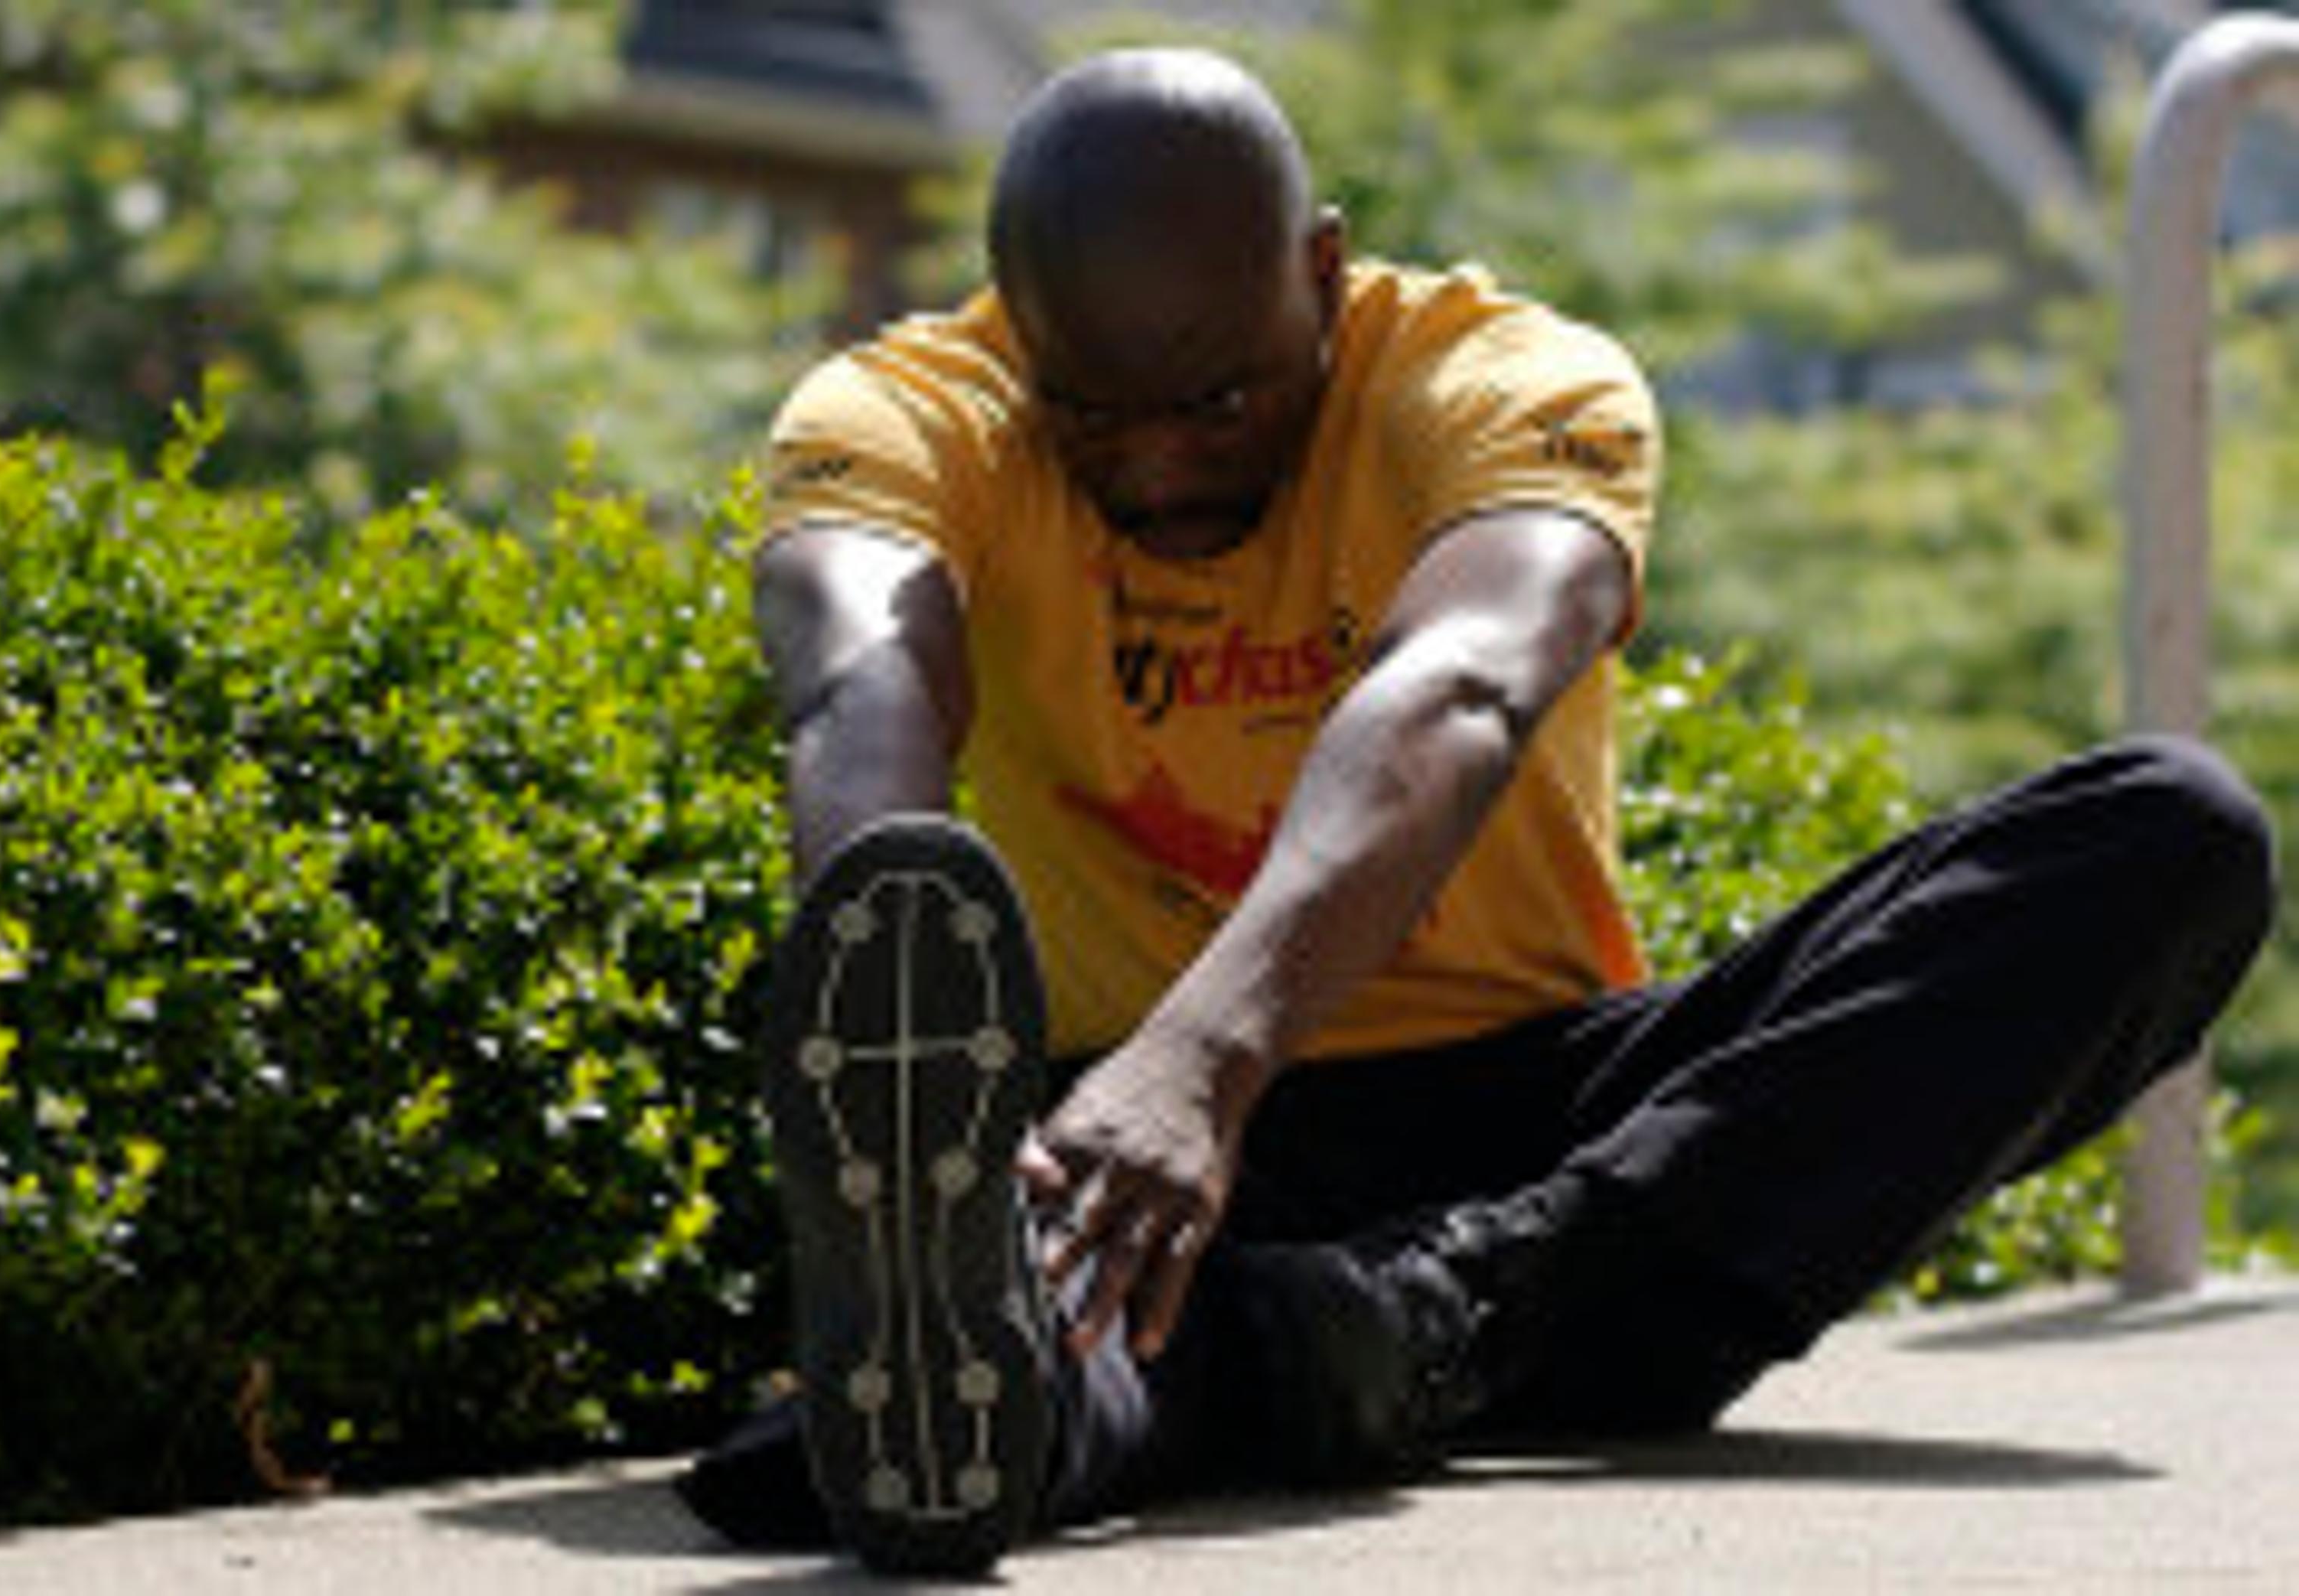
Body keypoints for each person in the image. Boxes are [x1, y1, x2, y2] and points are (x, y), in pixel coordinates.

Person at [676, 45, 2278, 1577]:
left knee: (2170, 836)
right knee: (1117, 1327)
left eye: (1221, 405)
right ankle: (1126, 1374)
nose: (1159, 467)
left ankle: (1430, 1316)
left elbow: (1459, 687)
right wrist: (906, 1008)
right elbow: (857, 685)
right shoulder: (897, 413)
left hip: (1543, 1145)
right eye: (1096, 418)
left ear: (1321, 267)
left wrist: (1205, 1056)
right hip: (1114, 1145)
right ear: (1017, 331)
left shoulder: (1508, 379)